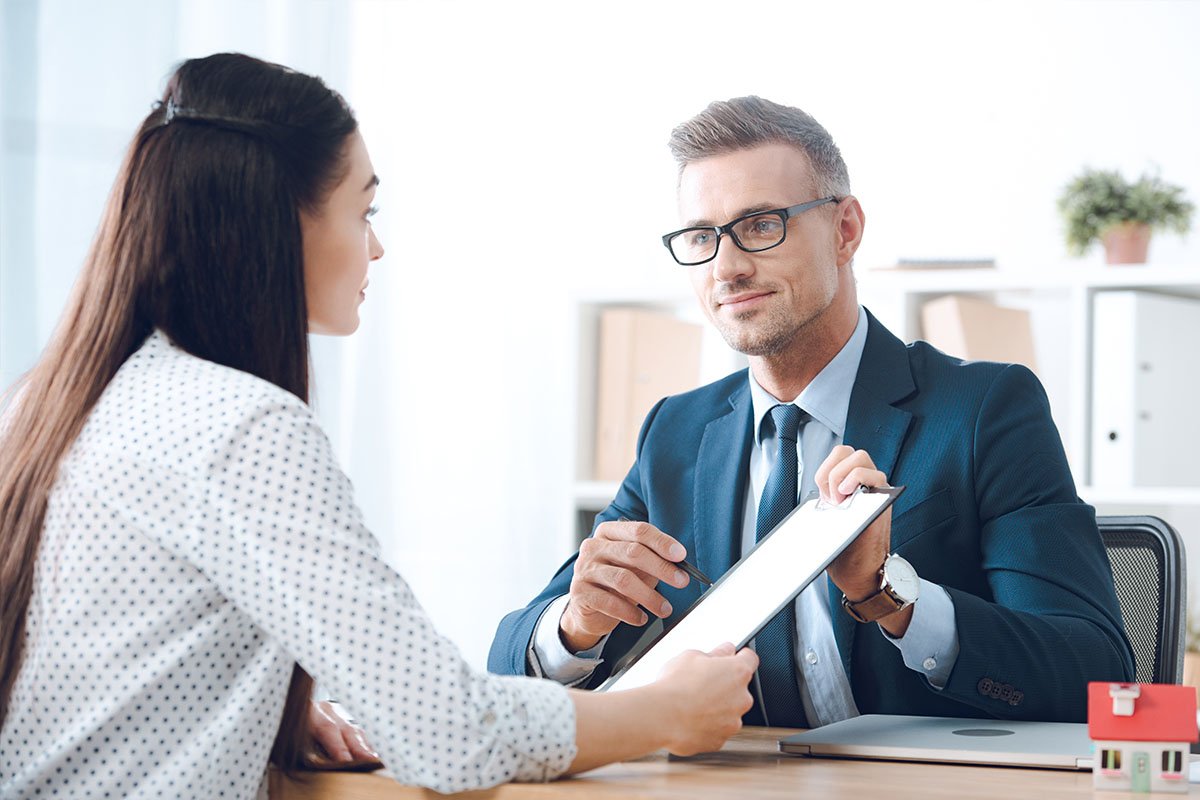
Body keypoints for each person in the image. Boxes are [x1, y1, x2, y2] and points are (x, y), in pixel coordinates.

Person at [0, 54, 758, 798]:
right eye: (363, 211)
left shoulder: (50, 401)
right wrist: (661, 713)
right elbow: (447, 732)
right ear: (274, 224)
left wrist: (275, 717)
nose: (377, 245)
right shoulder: (243, 427)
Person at [489, 96, 1134, 728]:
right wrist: (576, 627)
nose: (728, 267)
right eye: (700, 237)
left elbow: (1094, 675)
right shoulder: (677, 433)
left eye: (762, 225)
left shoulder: (985, 411)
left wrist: (887, 595)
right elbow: (509, 664)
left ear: (845, 230)